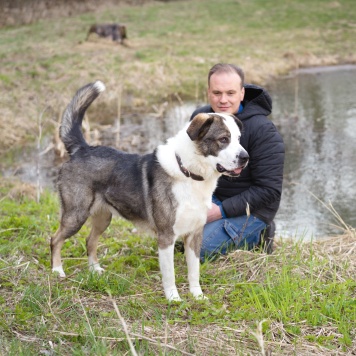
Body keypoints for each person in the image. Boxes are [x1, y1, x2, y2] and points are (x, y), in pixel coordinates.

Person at [189, 63, 285, 262]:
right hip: (211, 195)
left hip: (253, 209)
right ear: (208, 92)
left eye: (230, 93)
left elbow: (269, 190)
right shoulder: (202, 119)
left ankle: (260, 234)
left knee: (200, 249)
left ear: (242, 93)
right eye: (217, 93)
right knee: (174, 234)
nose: (223, 100)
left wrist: (219, 212)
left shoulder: (263, 130)